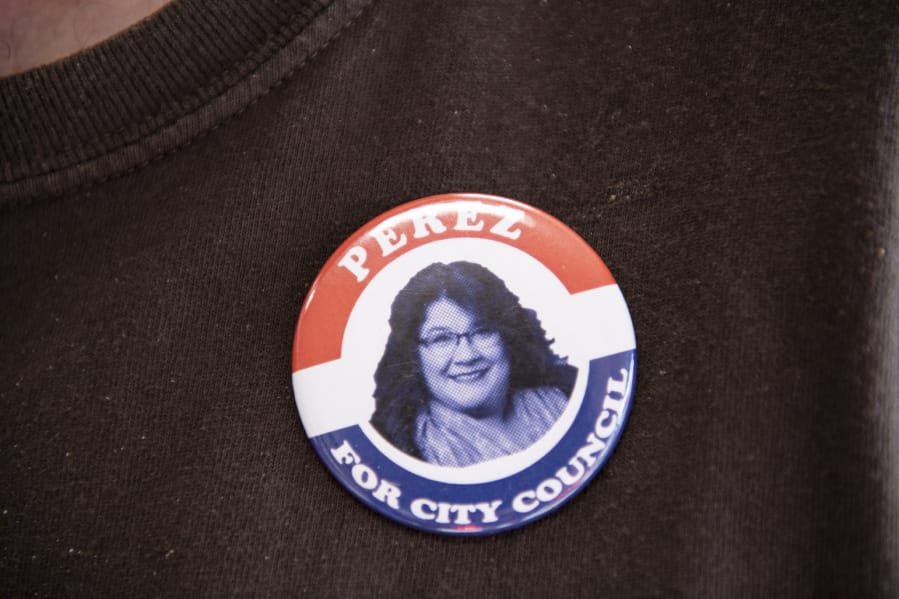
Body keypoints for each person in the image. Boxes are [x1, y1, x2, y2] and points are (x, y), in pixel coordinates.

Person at [371, 261, 578, 467]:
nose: (467, 355)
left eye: (483, 331)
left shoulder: (566, 397)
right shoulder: (397, 452)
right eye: (441, 339)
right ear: (413, 355)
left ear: (507, 337)